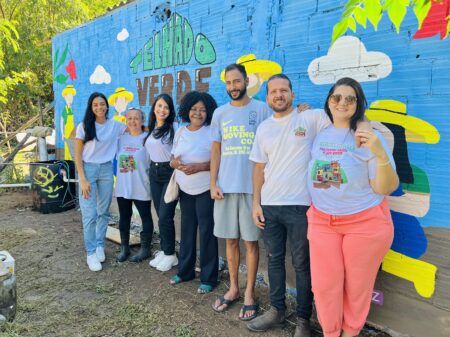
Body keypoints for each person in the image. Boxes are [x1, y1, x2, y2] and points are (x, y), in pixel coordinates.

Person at [307, 77, 398, 337]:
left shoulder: (368, 136)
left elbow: (385, 188)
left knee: (357, 287)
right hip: (323, 221)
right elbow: (328, 177)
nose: (342, 102)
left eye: (350, 98)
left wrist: (379, 153)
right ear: (328, 101)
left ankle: (350, 332)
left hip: (364, 223)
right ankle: (331, 332)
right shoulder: (320, 132)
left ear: (358, 104)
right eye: (337, 97)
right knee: (324, 285)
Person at [247, 74, 331, 337]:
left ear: (293, 95)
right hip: (270, 205)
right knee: (274, 260)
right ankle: (277, 310)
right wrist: (256, 203)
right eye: (273, 91)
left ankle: (304, 319)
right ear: (268, 96)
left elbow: (335, 141)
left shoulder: (312, 118)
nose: (279, 95)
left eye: (284, 90)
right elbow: (259, 168)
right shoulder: (264, 128)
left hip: (302, 206)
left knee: (302, 263)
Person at [210, 63, 271, 320]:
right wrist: (213, 182)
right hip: (225, 188)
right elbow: (216, 150)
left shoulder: (261, 109)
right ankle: (233, 288)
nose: (232, 87)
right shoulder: (219, 113)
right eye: (228, 83)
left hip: (252, 189)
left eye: (236, 81)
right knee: (230, 241)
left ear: (246, 81)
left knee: (251, 242)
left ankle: (249, 294)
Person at [168, 91, 219, 294]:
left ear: (209, 112)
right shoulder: (181, 131)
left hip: (205, 189)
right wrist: (177, 164)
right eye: (194, 109)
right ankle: (185, 271)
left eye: (202, 110)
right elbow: (172, 159)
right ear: (186, 110)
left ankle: (208, 277)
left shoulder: (212, 131)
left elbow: (218, 161)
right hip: (185, 189)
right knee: (187, 230)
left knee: (207, 232)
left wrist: (199, 167)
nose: (198, 113)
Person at [74, 92, 126, 272]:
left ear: (107, 106)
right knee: (90, 214)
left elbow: (135, 127)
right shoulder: (84, 127)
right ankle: (90, 253)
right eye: (95, 104)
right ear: (91, 107)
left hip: (105, 170)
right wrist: (82, 178)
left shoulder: (115, 125)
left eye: (102, 104)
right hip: (87, 169)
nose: (99, 107)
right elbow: (78, 155)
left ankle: (99, 245)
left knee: (103, 211)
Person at [144, 94, 178, 272]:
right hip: (154, 172)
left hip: (169, 173)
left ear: (170, 110)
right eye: (159, 106)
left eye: (166, 107)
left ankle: (172, 255)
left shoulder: (174, 127)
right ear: (154, 108)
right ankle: (165, 251)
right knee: (160, 214)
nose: (162, 110)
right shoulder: (151, 128)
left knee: (166, 215)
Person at [115, 108, 154, 263]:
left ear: (142, 121)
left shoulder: (148, 139)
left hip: (141, 185)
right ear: (126, 120)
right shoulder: (120, 138)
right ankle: (125, 248)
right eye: (130, 118)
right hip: (123, 186)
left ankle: (145, 249)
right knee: (124, 217)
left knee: (146, 217)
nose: (133, 121)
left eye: (136, 118)